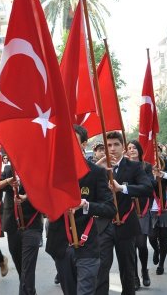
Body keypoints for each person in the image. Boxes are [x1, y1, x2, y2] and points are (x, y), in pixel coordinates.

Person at [46, 125, 116, 295]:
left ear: (84, 144)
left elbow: (109, 209)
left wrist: (86, 205)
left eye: (73, 140)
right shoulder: (52, 172)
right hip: (61, 244)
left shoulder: (96, 173)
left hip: (87, 246)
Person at [95, 131, 153, 295]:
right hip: (104, 225)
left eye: (116, 145)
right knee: (102, 267)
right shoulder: (99, 167)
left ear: (123, 147)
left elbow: (147, 188)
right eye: (109, 145)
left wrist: (123, 188)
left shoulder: (134, 167)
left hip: (126, 224)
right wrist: (97, 167)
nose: (112, 149)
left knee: (127, 268)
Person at [0, 163, 43, 295]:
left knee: (27, 266)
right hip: (12, 224)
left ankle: (25, 290)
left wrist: (27, 197)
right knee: (20, 265)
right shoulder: (8, 169)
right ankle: (29, 290)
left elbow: (44, 191)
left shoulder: (37, 168)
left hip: (32, 223)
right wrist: (9, 181)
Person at [126, 140, 155, 291]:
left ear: (139, 150)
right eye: (129, 148)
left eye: (134, 148)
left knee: (142, 244)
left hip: (142, 209)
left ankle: (144, 270)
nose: (131, 150)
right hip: (128, 211)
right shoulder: (124, 167)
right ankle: (135, 277)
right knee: (131, 247)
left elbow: (150, 185)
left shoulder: (146, 166)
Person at [150, 146, 167, 276]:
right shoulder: (145, 173)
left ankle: (161, 264)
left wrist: (162, 175)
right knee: (152, 237)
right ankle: (156, 249)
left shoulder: (166, 170)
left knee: (163, 238)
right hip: (149, 209)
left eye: (157, 162)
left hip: (165, 208)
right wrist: (153, 177)